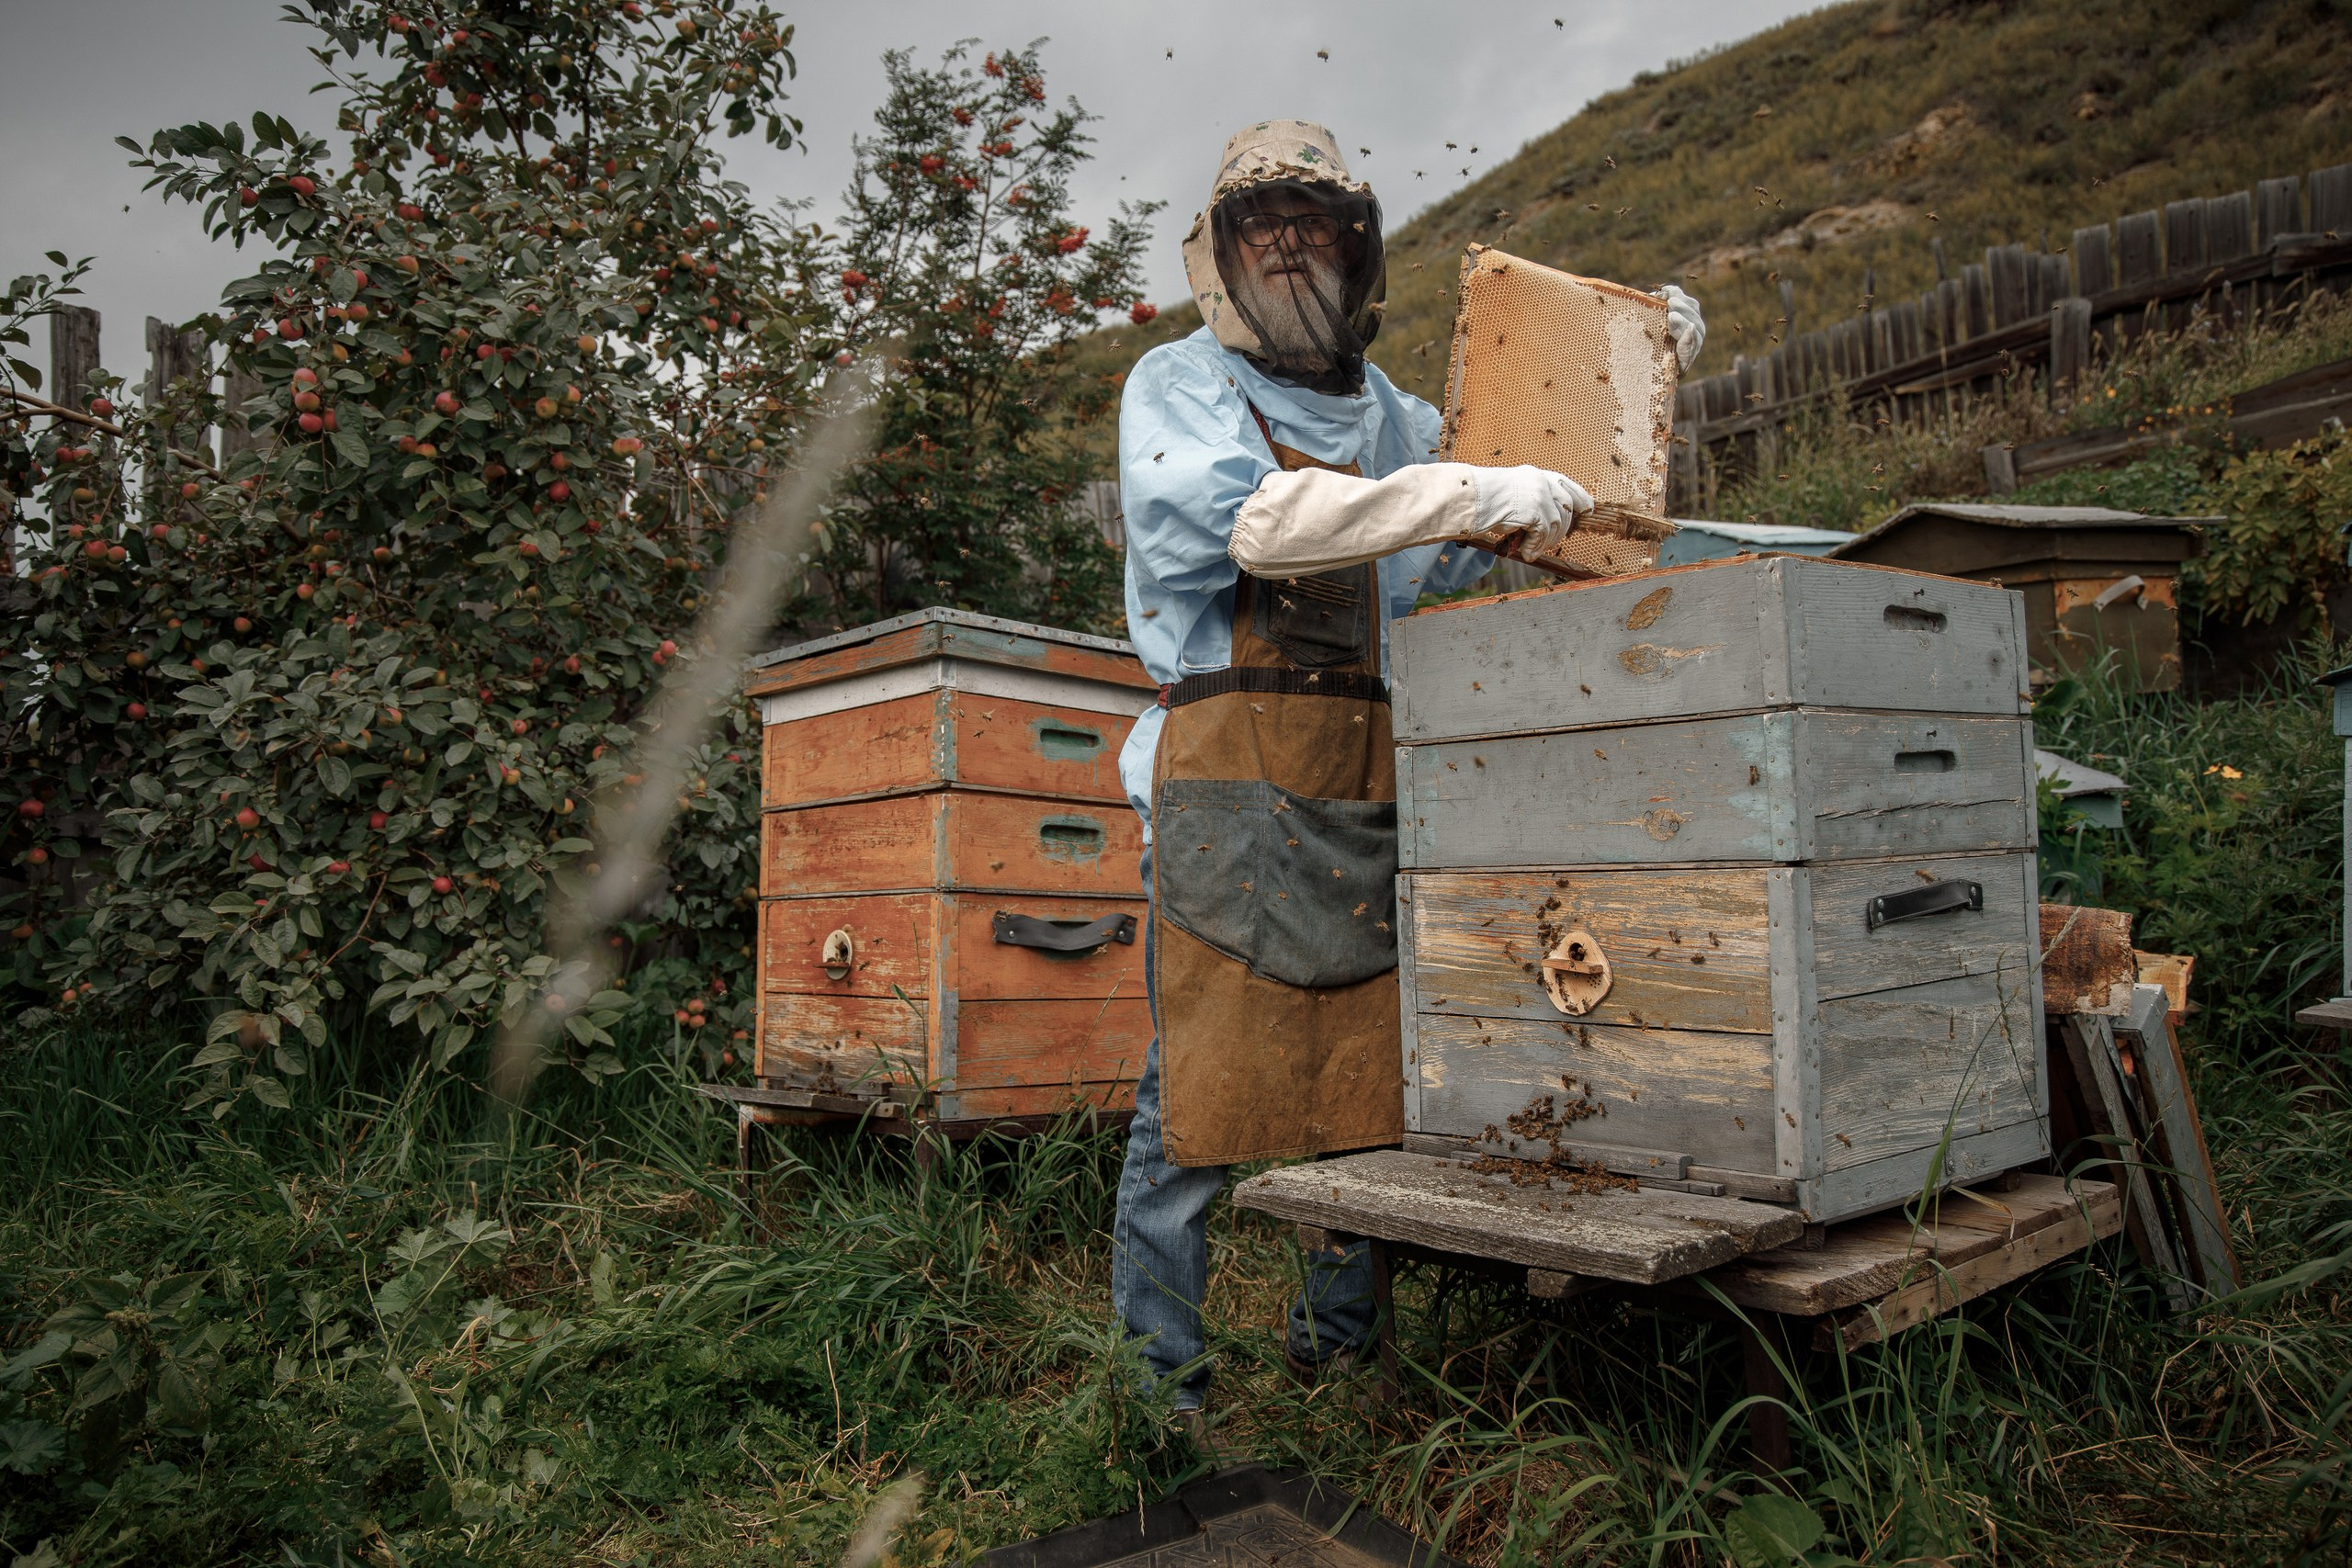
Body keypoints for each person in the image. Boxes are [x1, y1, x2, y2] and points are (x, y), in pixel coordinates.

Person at [1109, 121, 1704, 1423]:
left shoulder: (1397, 419)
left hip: (1374, 778)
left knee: (1369, 1086)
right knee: (1191, 1107)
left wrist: (1641, 360)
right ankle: (1159, 1389)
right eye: (1262, 225)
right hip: (1224, 790)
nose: (1289, 247)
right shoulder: (1178, 387)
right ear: (1220, 254)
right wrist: (1459, 492)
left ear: (1354, 246)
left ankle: (1338, 1362)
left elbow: (1541, 476)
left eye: (1313, 223)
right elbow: (1261, 523)